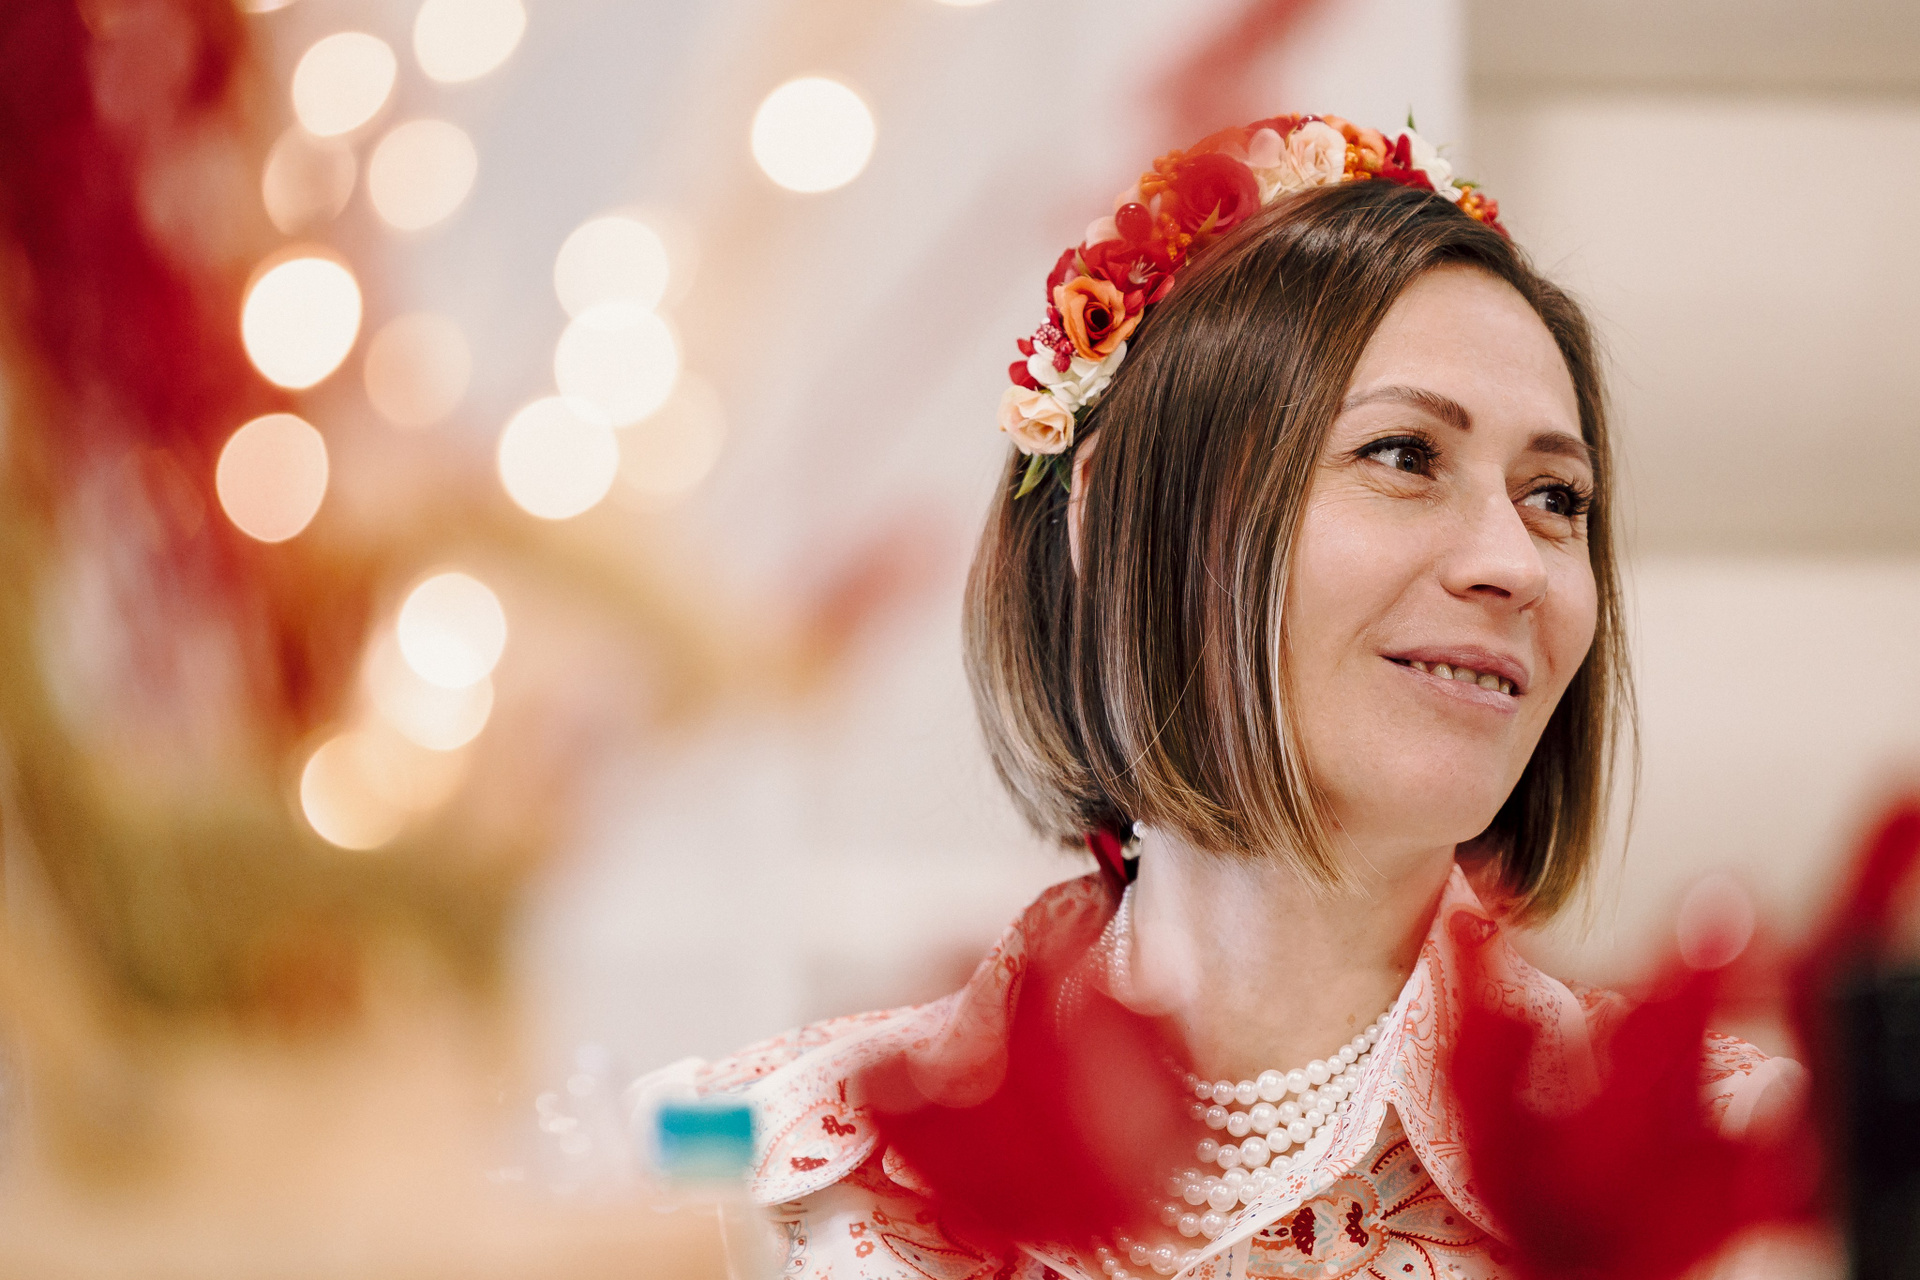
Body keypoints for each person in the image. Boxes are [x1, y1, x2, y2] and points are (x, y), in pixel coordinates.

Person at [672, 112, 1799, 1280]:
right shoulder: (740, 1182)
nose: (1514, 563)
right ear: (1119, 515)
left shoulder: (1746, 1177)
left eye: (1556, 497)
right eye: (1404, 454)